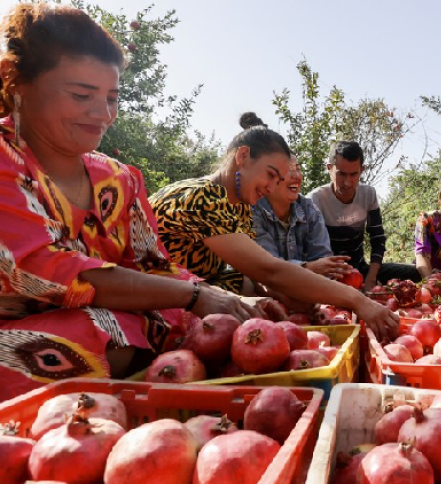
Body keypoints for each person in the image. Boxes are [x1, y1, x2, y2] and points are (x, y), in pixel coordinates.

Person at [0, 4, 278, 401]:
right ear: (18, 84)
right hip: (19, 335)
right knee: (101, 333)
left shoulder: (119, 179)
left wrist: (223, 300)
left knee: (187, 320)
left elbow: (155, 267)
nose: (103, 113)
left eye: (112, 97)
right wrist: (195, 296)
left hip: (115, 321)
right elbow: (41, 267)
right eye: (82, 94)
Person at [149, 114, 398, 339]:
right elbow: (269, 269)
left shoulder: (240, 207)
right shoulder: (202, 197)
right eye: (270, 175)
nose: (271, 187)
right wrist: (356, 300)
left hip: (197, 287)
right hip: (157, 295)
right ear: (243, 157)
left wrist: (282, 298)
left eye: (277, 180)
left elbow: (255, 276)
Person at [309, 141, 421, 290]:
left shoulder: (368, 194)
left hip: (360, 270)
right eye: (341, 174)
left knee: (416, 273)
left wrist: (371, 278)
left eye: (354, 174)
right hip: (328, 275)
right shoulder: (314, 200)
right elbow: (312, 252)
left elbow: (378, 239)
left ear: (362, 170)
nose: (348, 183)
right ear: (329, 169)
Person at [252, 154, 352, 279]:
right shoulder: (253, 212)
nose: (297, 176)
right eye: (289, 170)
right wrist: (308, 268)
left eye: (298, 169)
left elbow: (325, 265)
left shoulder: (309, 210)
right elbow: (266, 269)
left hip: (307, 291)